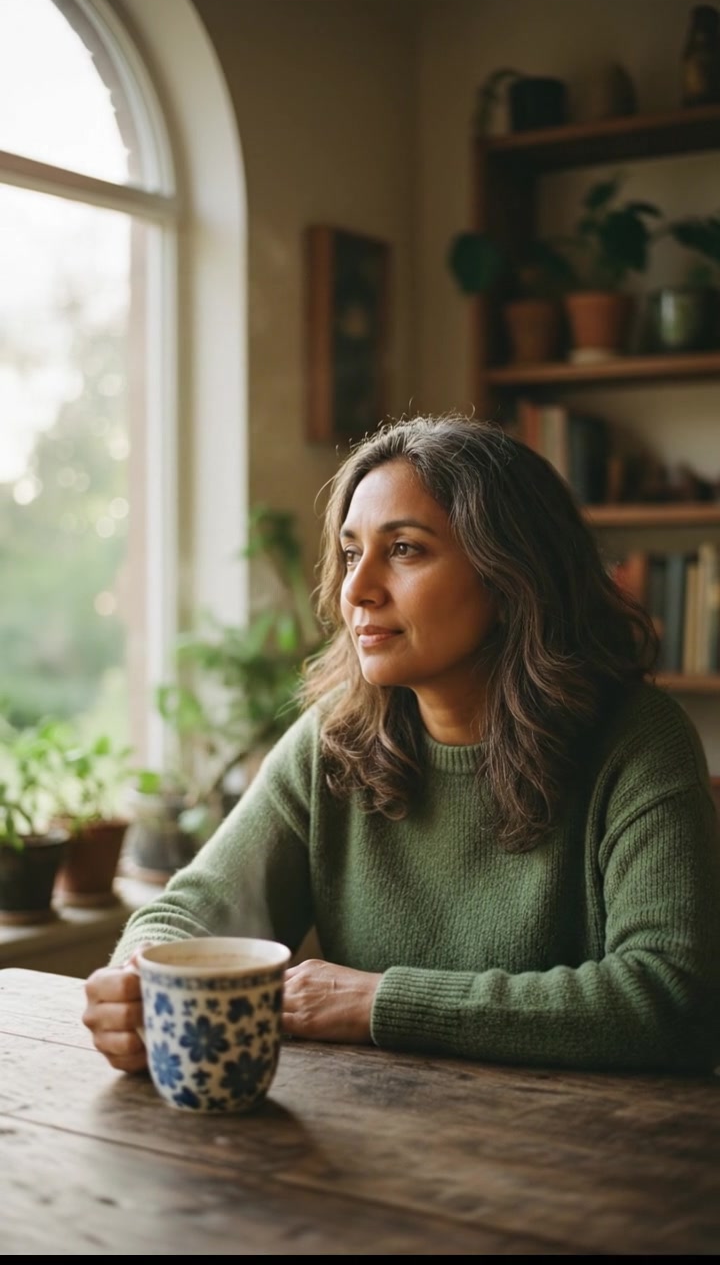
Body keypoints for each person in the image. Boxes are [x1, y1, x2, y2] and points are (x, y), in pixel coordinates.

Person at [83, 413, 720, 1075]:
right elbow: (198, 909)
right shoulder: (335, 738)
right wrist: (134, 981)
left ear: (510, 578)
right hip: (374, 1146)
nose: (356, 590)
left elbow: (669, 998)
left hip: (588, 1155)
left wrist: (382, 1002)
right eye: (353, 552)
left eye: (406, 549)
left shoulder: (638, 741)